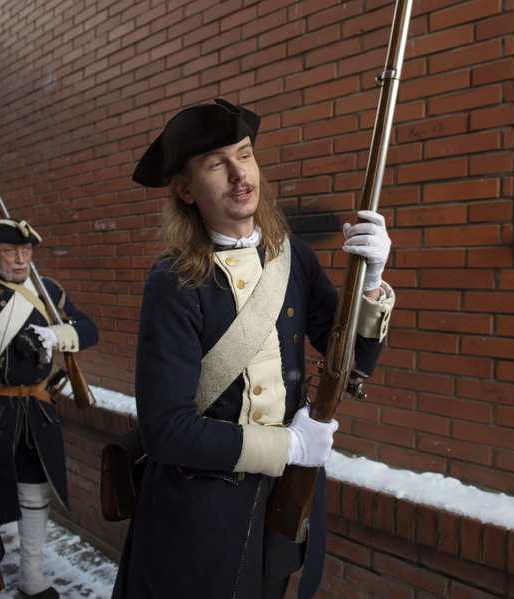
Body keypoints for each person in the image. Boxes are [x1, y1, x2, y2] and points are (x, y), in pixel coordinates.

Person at [112, 99, 395, 599]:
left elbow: (351, 365)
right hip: (199, 517)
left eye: (245, 154)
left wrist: (370, 286)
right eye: (217, 164)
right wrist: (291, 447)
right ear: (185, 189)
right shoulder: (174, 281)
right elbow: (166, 432)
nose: (240, 175)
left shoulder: (292, 256)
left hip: (282, 500)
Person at [0, 218, 100, 599]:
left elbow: (89, 329)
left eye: (26, 251)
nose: (21, 259)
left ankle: (31, 573)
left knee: (36, 492)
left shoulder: (47, 289)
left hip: (37, 410)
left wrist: (51, 335)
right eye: (11, 251)